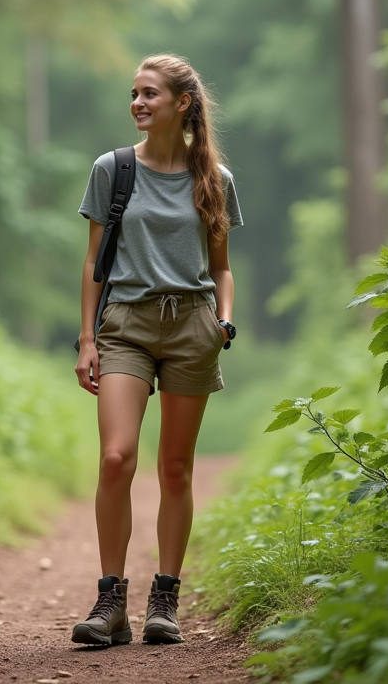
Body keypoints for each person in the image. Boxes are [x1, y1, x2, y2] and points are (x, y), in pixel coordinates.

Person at [71, 53, 242, 646]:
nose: (138, 103)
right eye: (134, 94)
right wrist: (88, 337)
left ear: (182, 104)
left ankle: (164, 599)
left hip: (193, 326)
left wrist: (224, 321)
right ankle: (110, 599)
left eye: (150, 94)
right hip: (126, 325)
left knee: (175, 467)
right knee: (117, 458)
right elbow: (94, 261)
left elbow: (221, 268)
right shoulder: (112, 170)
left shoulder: (214, 181)